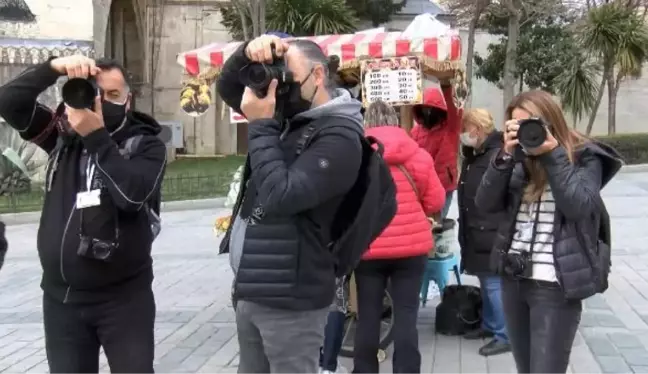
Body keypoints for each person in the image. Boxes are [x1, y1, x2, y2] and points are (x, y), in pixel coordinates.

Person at [0, 56, 166, 374]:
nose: (103, 104)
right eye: (95, 95)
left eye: (114, 96)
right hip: (61, 302)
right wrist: (53, 68)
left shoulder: (145, 145)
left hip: (124, 301)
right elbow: (8, 101)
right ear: (79, 97)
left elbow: (131, 196)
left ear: (128, 100)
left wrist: (98, 138)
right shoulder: (62, 139)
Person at [216, 34, 364, 374]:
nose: (280, 87)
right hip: (254, 289)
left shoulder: (340, 135)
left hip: (293, 300)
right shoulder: (287, 117)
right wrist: (247, 51)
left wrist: (261, 126)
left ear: (318, 76)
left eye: (289, 77)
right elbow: (228, 86)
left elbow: (281, 197)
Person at [475, 90, 622, 374]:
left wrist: (552, 153)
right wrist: (504, 156)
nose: (526, 132)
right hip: (513, 281)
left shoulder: (585, 157)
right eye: (517, 125)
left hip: (555, 287)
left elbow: (578, 206)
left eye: (532, 123)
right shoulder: (516, 159)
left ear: (551, 121)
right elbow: (484, 204)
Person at [352, 100, 445, 374]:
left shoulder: (356, 157)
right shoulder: (418, 155)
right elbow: (436, 200)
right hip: (412, 249)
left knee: (368, 315)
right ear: (395, 121)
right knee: (406, 316)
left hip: (368, 247)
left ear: (366, 123)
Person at [456, 108, 511, 356]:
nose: (462, 134)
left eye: (465, 129)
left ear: (476, 129)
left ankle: (504, 334)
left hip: (490, 228)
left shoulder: (496, 154)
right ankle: (490, 325)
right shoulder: (476, 154)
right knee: (485, 279)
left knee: (493, 283)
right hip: (476, 228)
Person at [410, 82, 461, 219]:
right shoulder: (415, 132)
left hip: (444, 186)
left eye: (431, 108)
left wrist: (446, 86)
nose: (428, 112)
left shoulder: (450, 129)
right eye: (425, 109)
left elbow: (455, 110)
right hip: (422, 186)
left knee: (438, 223)